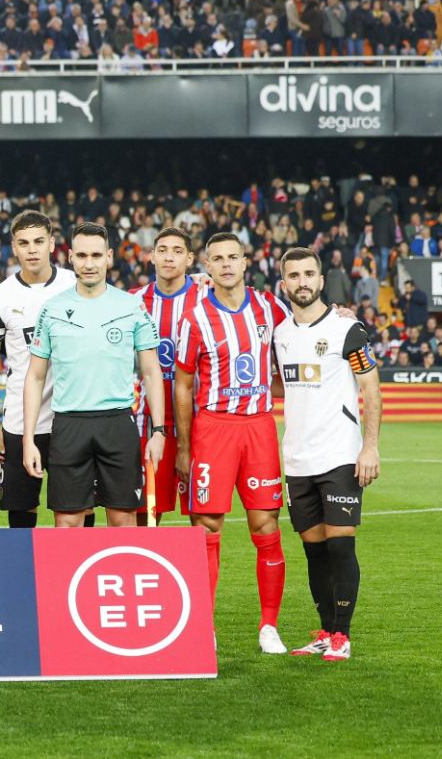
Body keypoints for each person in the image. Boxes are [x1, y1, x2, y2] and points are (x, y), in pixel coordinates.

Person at [174, 232, 292, 654]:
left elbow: (306, 319)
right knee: (207, 527)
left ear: (246, 263)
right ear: (206, 266)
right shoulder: (195, 318)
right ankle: (204, 627)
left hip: (258, 428)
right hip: (213, 429)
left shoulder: (268, 307)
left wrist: (338, 312)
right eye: (217, 258)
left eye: (233, 257)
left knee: (266, 526)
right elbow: (183, 387)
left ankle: (268, 626)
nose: (226, 265)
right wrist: (185, 447)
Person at [276, 247, 382, 663]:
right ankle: (323, 631)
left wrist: (369, 446)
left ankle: (343, 634)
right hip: (297, 459)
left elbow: (370, 389)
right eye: (293, 276)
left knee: (340, 548)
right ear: (283, 284)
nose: (302, 282)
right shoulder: (280, 334)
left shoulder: (347, 329)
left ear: (321, 280)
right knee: (314, 551)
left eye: (308, 274)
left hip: (339, 454)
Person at [21, 224, 166, 527]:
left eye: (97, 255)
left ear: (109, 257)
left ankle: (119, 575)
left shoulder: (131, 306)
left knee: (123, 520)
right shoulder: (52, 309)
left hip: (117, 423)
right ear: (71, 257)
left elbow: (152, 372)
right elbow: (35, 377)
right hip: (69, 425)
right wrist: (29, 440)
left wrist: (158, 431)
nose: (89, 263)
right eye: (82, 255)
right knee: (67, 524)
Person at [0, 210, 76, 528]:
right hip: (21, 423)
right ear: (14, 247)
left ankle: (71, 576)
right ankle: (25, 577)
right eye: (24, 243)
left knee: (77, 511)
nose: (32, 249)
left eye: (38, 241)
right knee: (21, 514)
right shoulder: (0, 298)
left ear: (51, 243)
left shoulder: (74, 285)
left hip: (70, 419)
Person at [132, 227, 203, 525]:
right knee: (146, 518)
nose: (169, 257)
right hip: (147, 423)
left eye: (177, 251)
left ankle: (201, 574)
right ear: (152, 257)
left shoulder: (208, 296)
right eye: (162, 250)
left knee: (203, 517)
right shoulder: (132, 302)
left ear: (189, 258)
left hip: (199, 423)